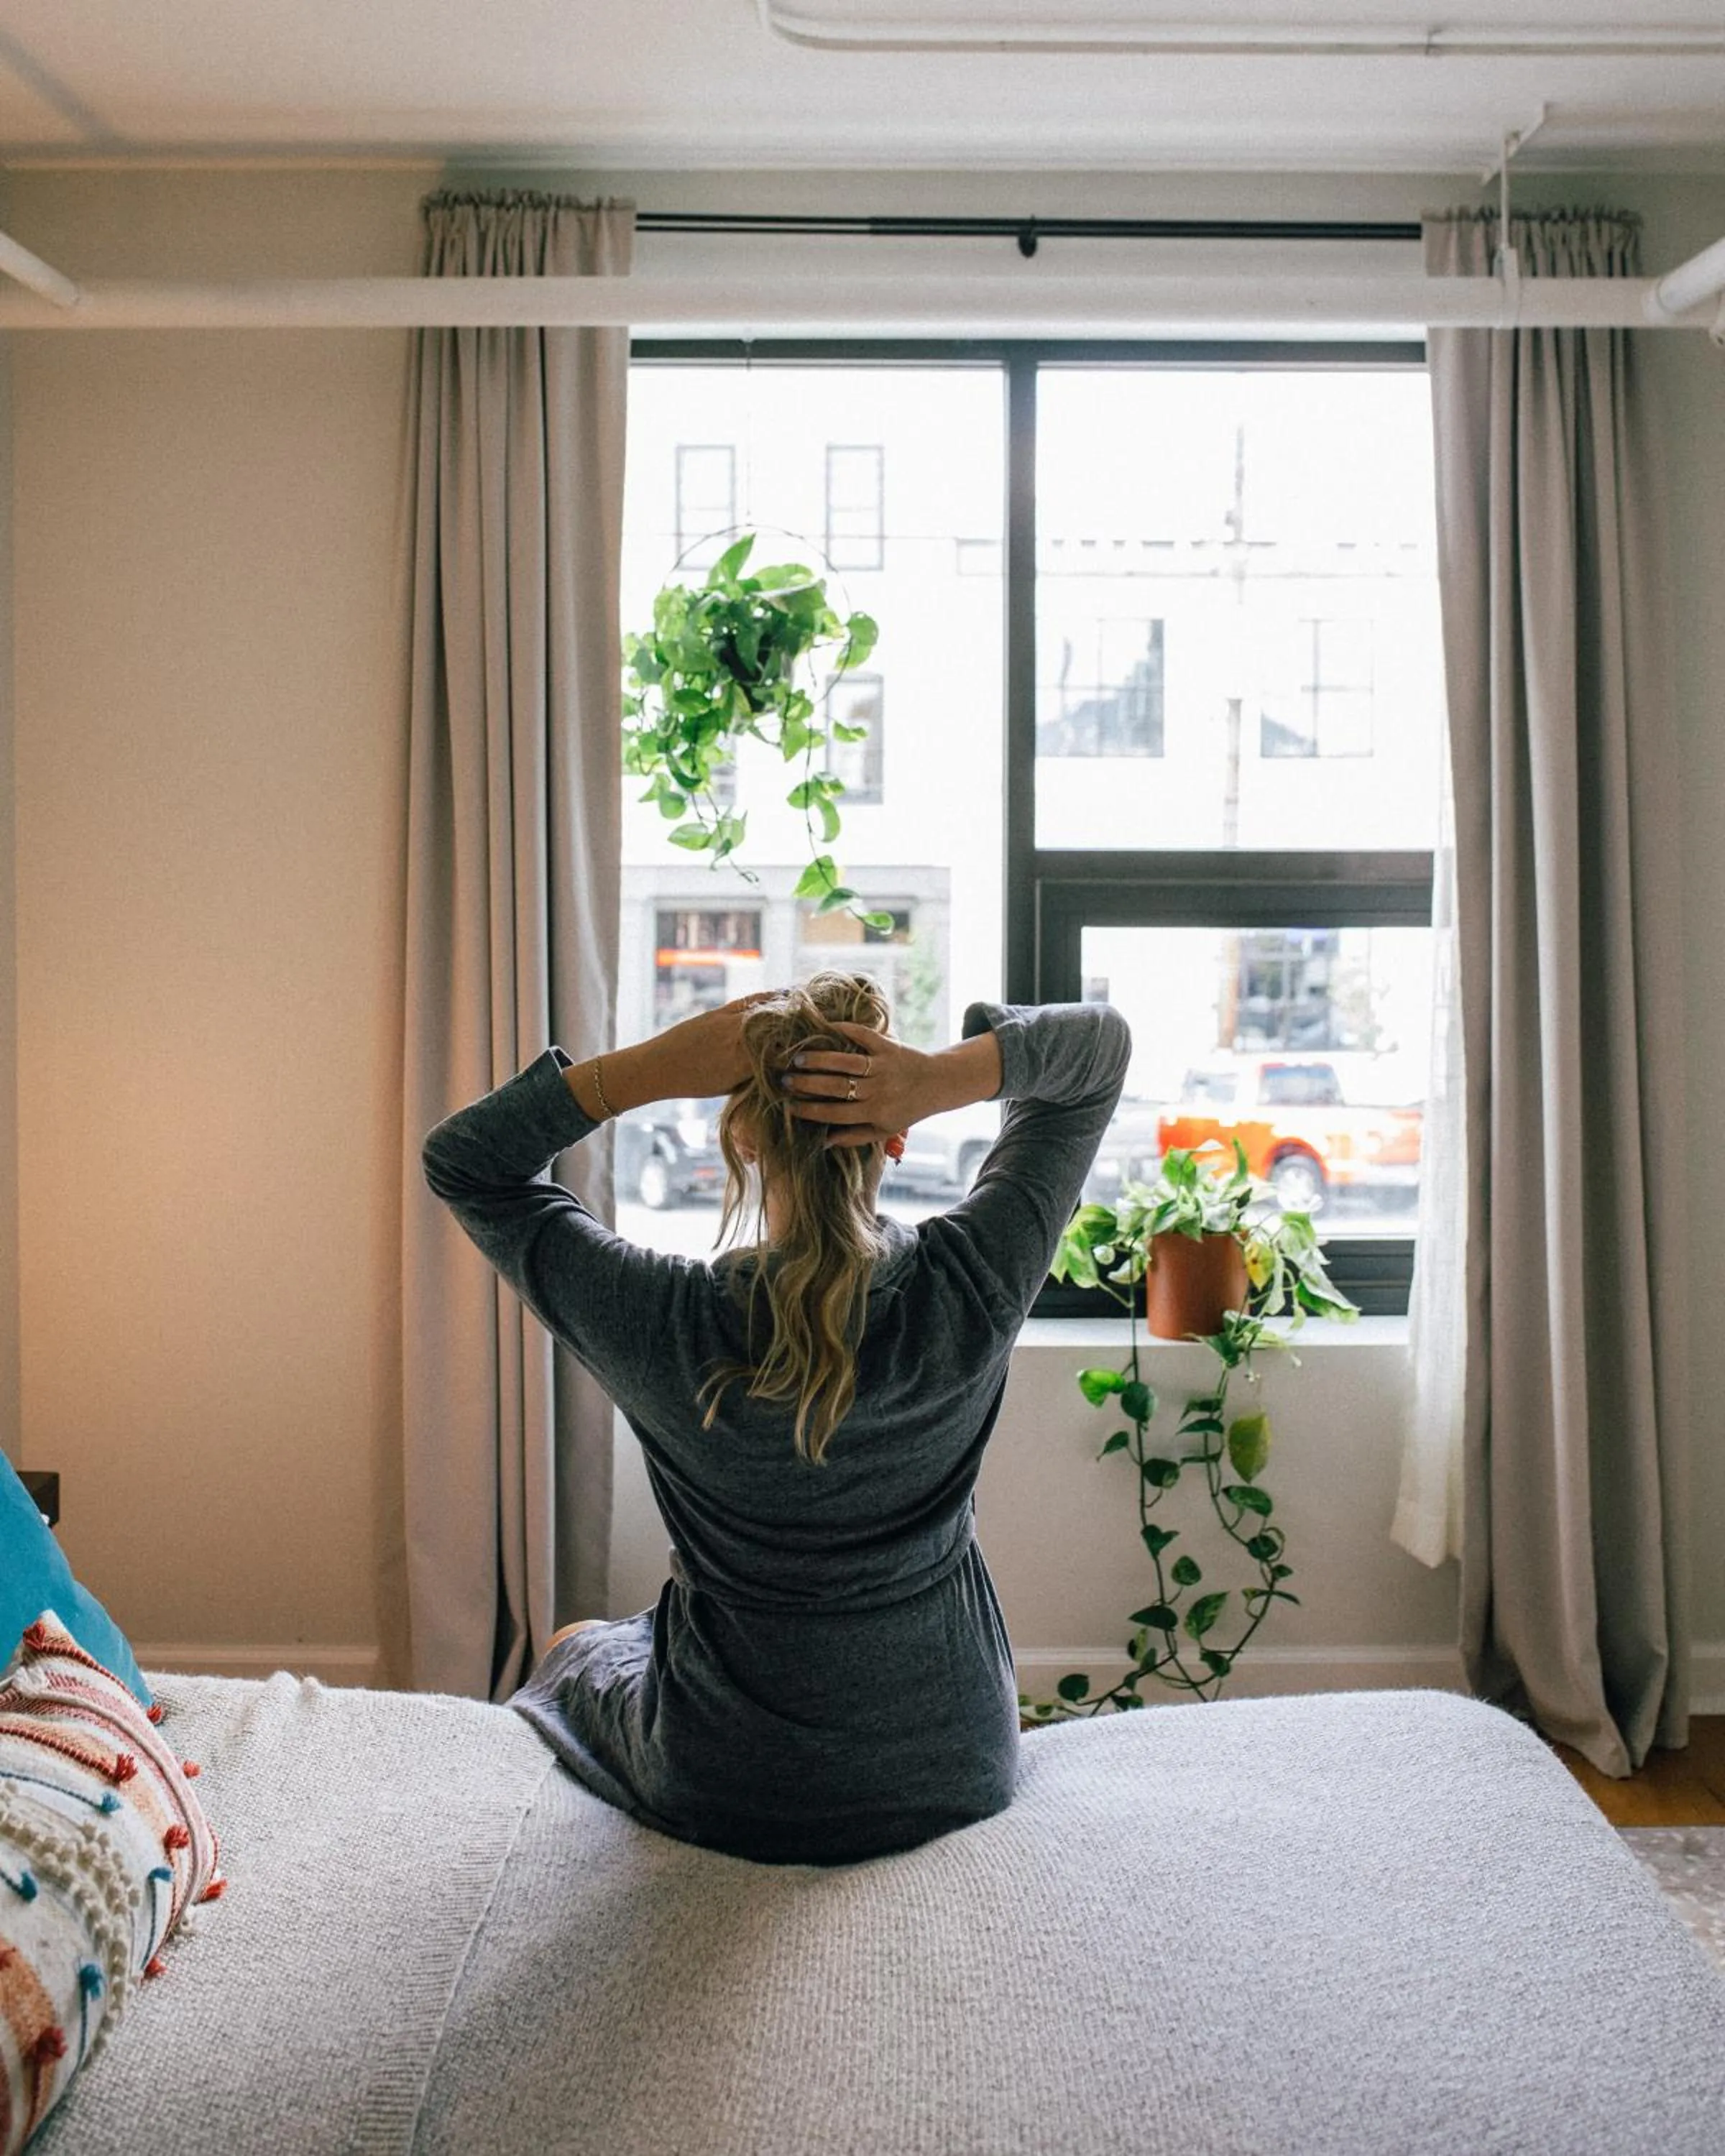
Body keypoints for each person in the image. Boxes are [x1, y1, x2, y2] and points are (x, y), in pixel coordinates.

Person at [420, 972, 1130, 1865]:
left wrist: (651, 1068)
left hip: (726, 1777)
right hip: (956, 1758)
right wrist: (939, 1076)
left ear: (745, 1137)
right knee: (625, 1641)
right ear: (897, 1136)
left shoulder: (660, 1320)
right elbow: (1098, 1048)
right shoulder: (974, 1281)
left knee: (571, 1645)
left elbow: (465, 1161)